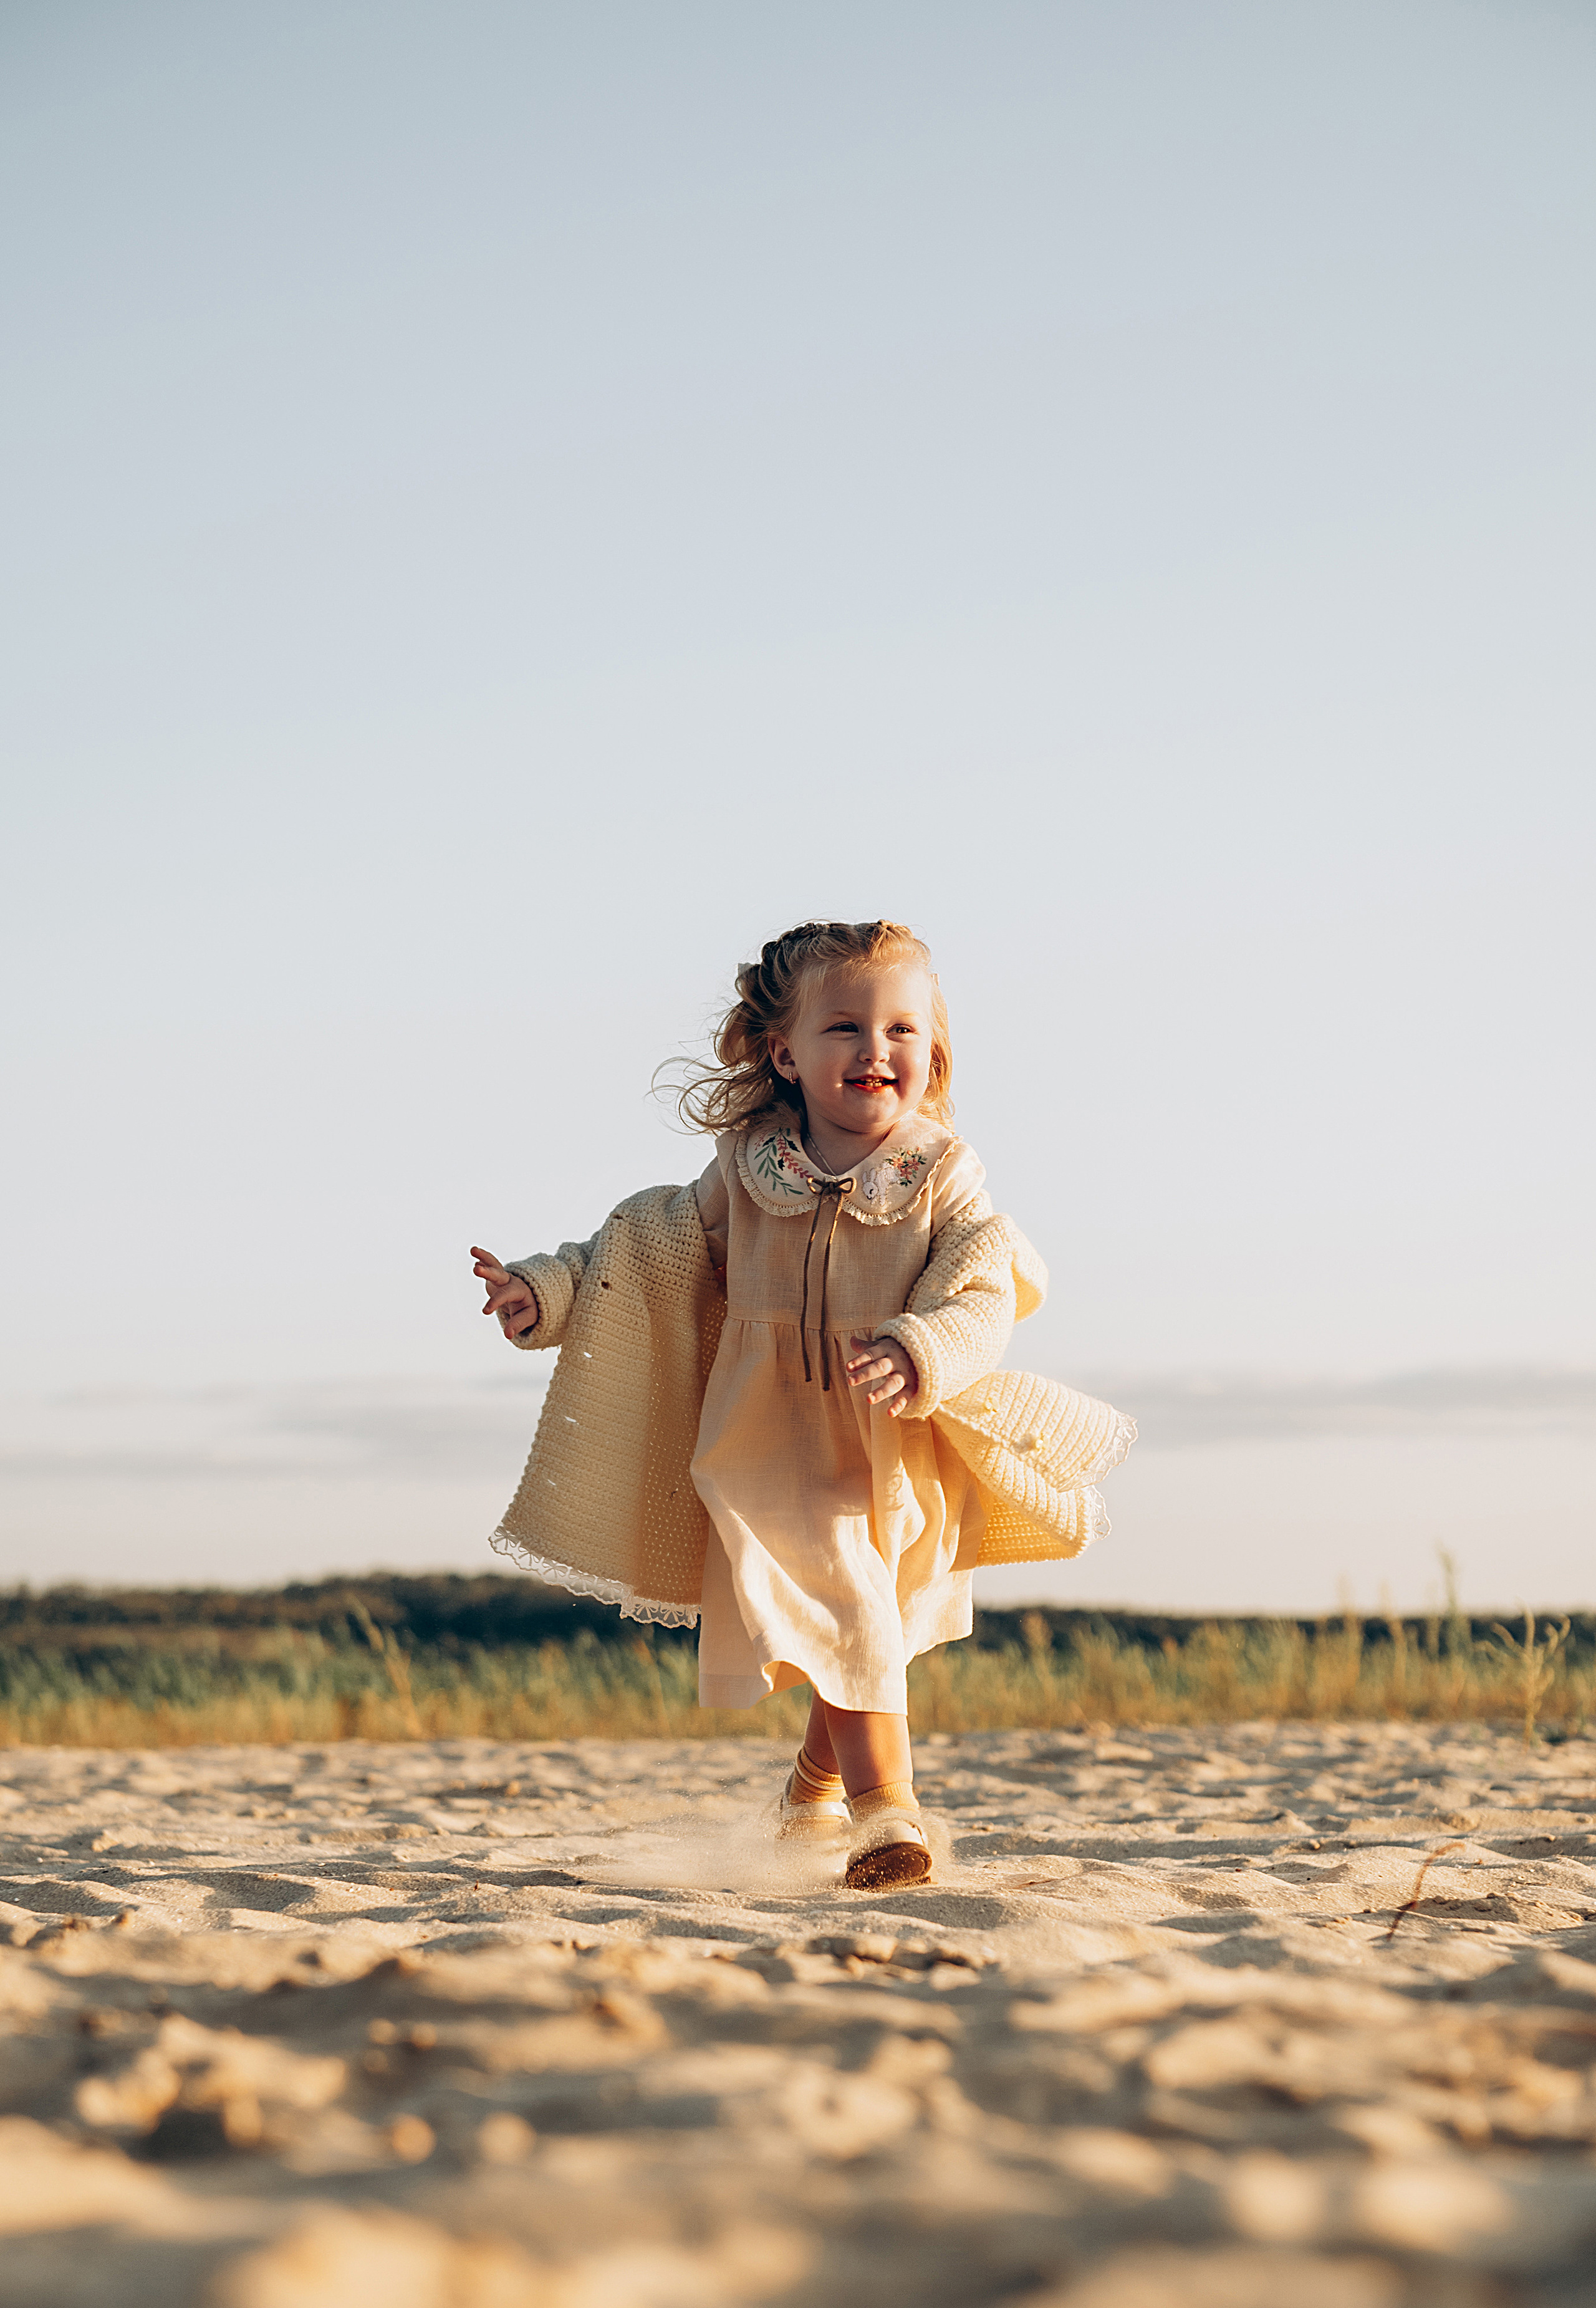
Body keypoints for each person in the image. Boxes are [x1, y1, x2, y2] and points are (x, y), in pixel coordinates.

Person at [471, 920, 1132, 1890]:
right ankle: (887, 1819)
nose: (877, 1050)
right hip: (769, 1436)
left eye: (903, 1029)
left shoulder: (943, 1172)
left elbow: (986, 1281)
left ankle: (811, 1791)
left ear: (931, 1047)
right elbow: (646, 1247)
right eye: (846, 1028)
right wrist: (550, 1291)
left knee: (876, 1622)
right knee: (849, 1601)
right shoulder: (749, 1167)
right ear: (784, 1050)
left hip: (898, 1433)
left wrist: (924, 1346)